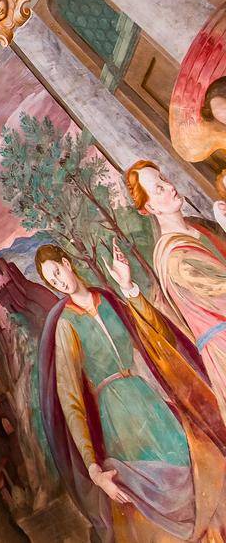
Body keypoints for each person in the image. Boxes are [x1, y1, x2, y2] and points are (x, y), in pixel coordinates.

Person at [36, 243, 226, 542]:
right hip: (118, 418)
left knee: (193, 465)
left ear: (66, 263)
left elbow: (153, 335)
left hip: (148, 400)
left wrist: (128, 287)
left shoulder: (109, 300)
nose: (57, 281)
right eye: (51, 280)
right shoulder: (66, 325)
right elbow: (70, 400)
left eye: (56, 271)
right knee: (160, 488)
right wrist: (93, 468)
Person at [125, 161, 226, 418]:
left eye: (164, 179)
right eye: (158, 189)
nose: (169, 187)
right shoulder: (175, 257)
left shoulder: (199, 228)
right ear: (150, 207)